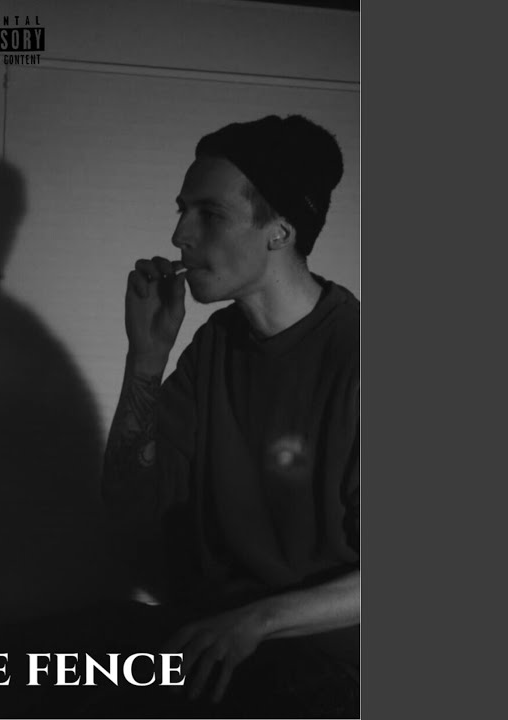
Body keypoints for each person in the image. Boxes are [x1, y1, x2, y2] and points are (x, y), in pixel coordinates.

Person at [101, 115, 360, 718]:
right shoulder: (216, 344)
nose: (180, 235)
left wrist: (256, 622)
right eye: (182, 210)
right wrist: (146, 359)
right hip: (212, 636)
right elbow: (127, 508)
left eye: (209, 214)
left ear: (280, 231)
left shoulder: (358, 356)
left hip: (324, 664)